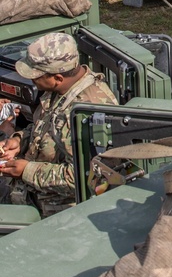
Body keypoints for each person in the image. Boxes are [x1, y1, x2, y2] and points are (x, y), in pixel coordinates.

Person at [0, 33, 117, 217]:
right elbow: (45, 128)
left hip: (61, 215)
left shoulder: (91, 111)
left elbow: (88, 177)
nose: (32, 80)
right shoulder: (56, 90)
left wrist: (27, 171)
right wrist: (19, 139)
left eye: (36, 75)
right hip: (31, 197)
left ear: (58, 77)